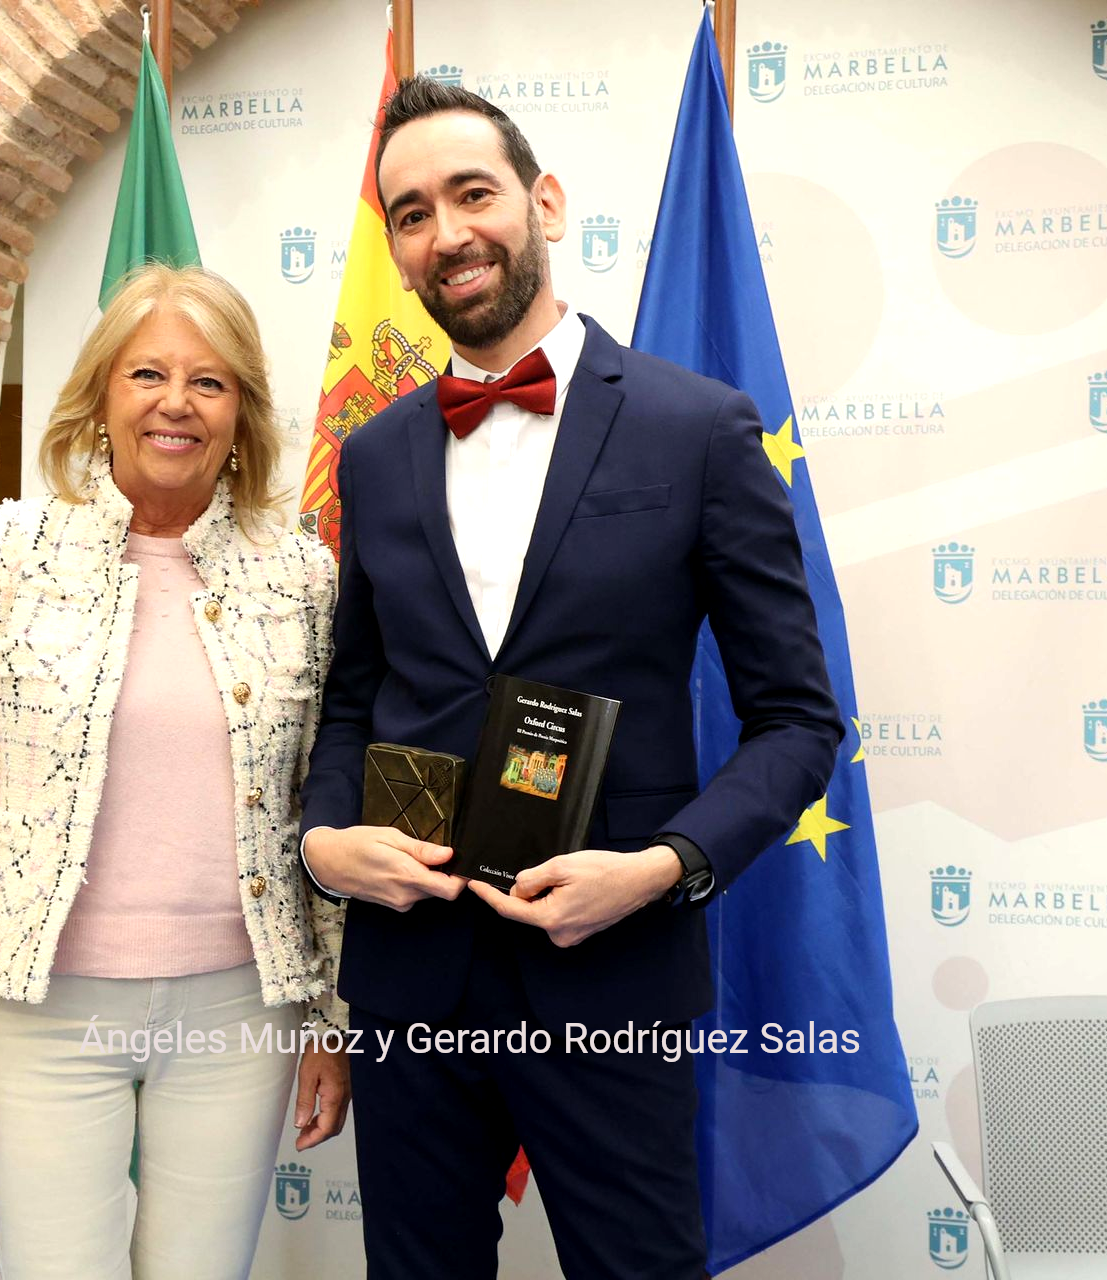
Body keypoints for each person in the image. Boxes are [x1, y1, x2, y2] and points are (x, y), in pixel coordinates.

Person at [299, 79, 845, 1280]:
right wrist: (325, 839)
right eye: (411, 213)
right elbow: (352, 698)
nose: (446, 232)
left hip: (613, 968)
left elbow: (799, 720)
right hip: (412, 975)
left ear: (543, 202)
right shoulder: (375, 455)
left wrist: (661, 867)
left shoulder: (698, 428)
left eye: (472, 194)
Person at [0, 263, 348, 1280]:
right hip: (42, 1012)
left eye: (210, 381)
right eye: (148, 373)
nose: (177, 402)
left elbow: (322, 807)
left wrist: (331, 1019)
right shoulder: (6, 549)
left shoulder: (302, 573)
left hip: (240, 1010)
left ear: (241, 413)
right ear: (101, 395)